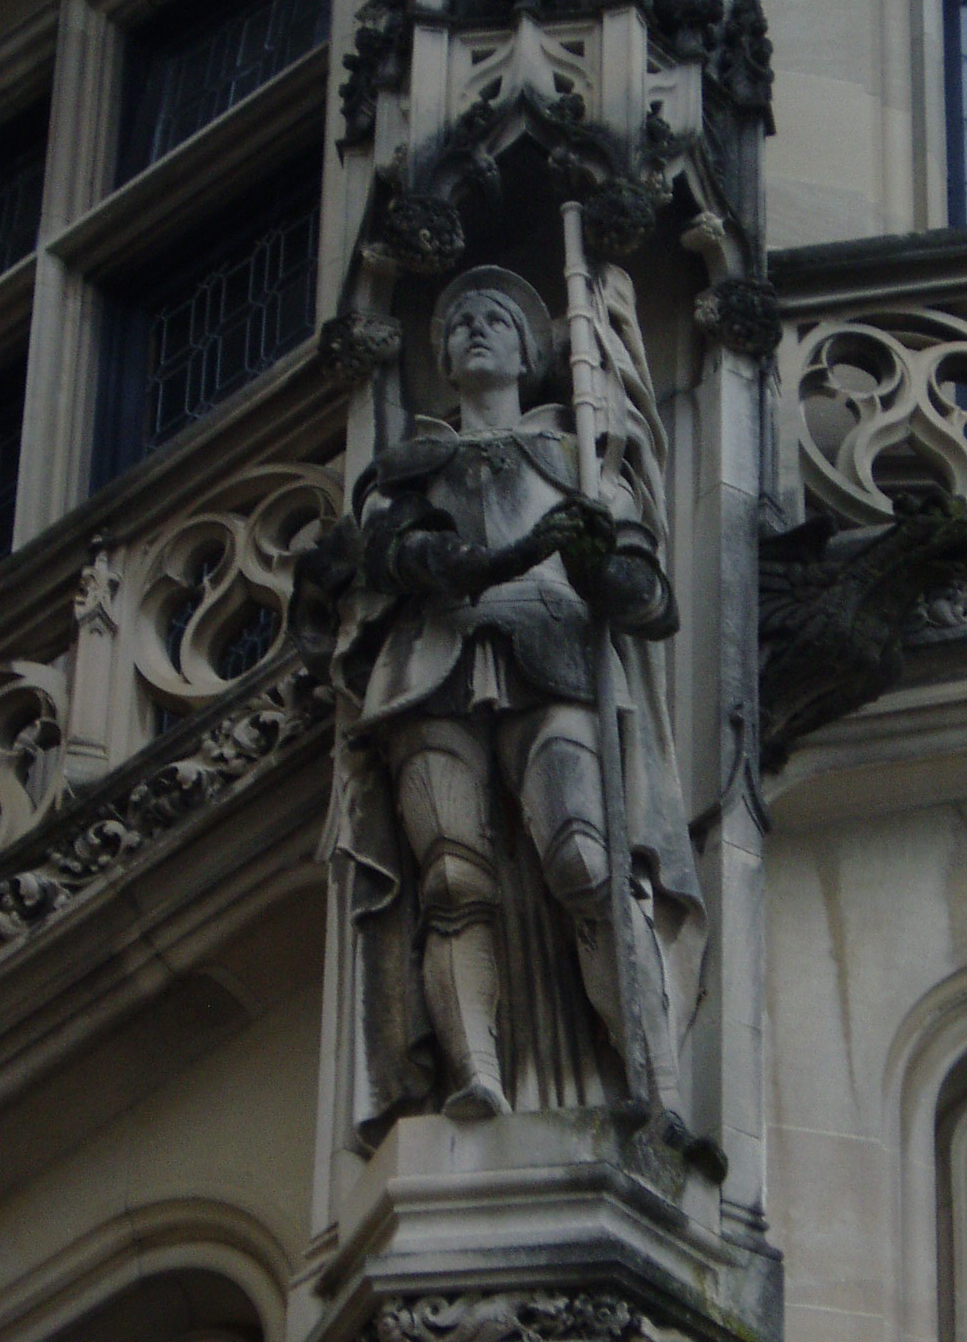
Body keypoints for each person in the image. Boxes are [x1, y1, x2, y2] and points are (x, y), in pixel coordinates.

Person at [296, 265, 704, 1130]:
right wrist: (514, 557)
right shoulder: (408, 470)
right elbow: (410, 565)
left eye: (497, 320)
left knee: (587, 863)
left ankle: (653, 1076)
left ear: (531, 351)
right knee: (450, 880)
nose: (476, 330)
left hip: (554, 659)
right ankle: (474, 1071)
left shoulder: (581, 455)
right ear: (441, 358)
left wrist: (598, 560)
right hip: (429, 675)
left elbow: (651, 603)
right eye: (460, 323)